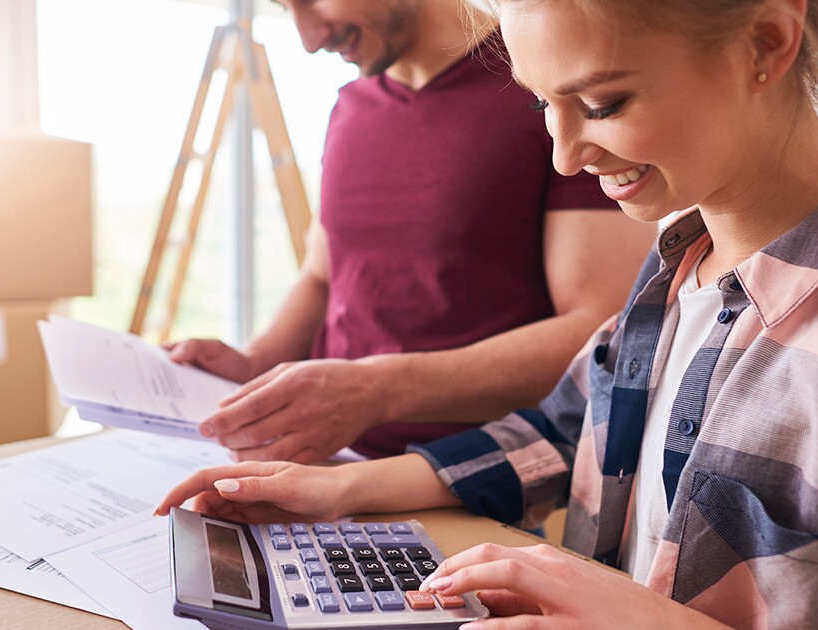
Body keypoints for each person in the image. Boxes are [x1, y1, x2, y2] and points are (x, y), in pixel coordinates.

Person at [157, 0, 818, 627]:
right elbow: (566, 432)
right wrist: (342, 490)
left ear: (765, 42)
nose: (564, 154)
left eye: (604, 103)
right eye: (543, 103)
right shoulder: (680, 260)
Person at [166, 0, 656, 463]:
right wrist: (255, 364)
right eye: (285, 8)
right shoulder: (349, 108)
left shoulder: (550, 90)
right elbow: (323, 277)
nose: (309, 39)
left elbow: (598, 329)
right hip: (322, 460)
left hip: (468, 480)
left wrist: (377, 390)